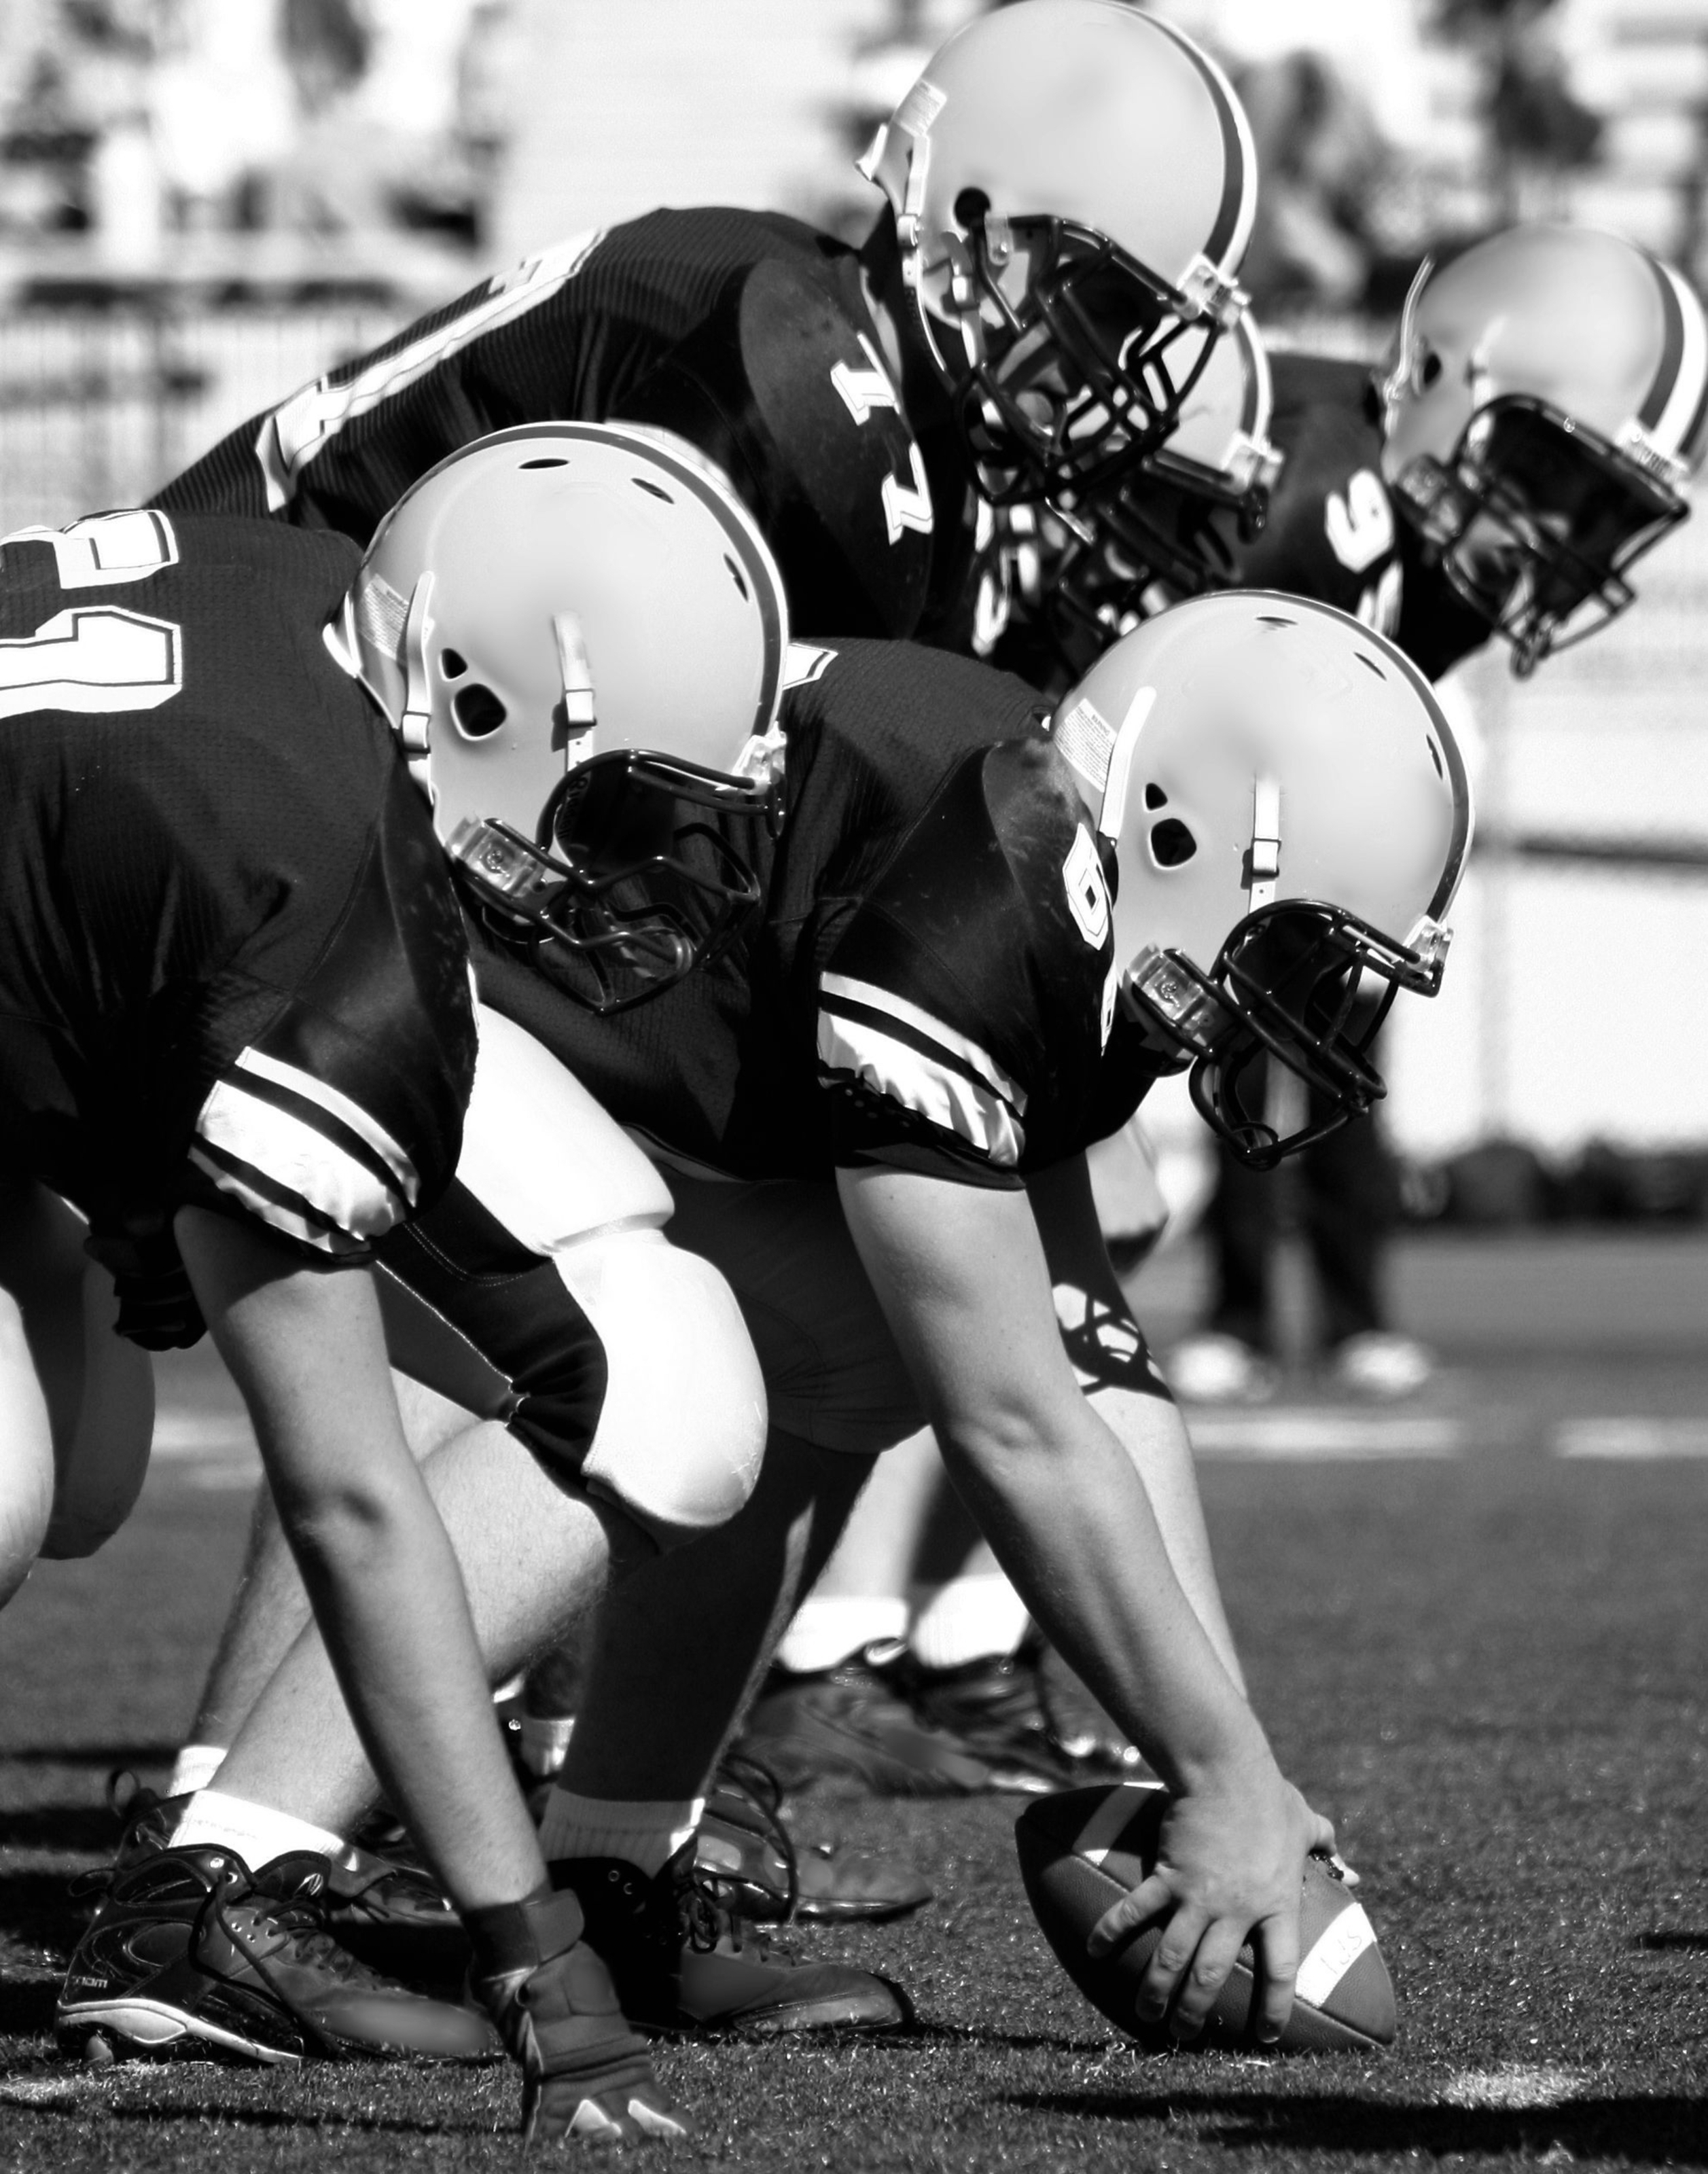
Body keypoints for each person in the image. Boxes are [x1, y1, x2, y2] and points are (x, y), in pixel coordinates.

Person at [86, 427, 1473, 2063]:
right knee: (653, 1381)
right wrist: (1226, 1778)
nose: (1307, 1015)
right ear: (1179, 834)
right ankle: (228, 1870)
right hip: (331, 974)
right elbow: (1017, 1426)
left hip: (430, 985)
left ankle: (613, 1855)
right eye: (1307, 952)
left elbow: (1089, 1364)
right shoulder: (977, 910)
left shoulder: (1036, 848)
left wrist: (1233, 1776)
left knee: (830, 1352)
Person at [149, 0, 1268, 1815]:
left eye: (1130, 329)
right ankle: (268, 1824)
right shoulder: (781, 369)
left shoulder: (901, 435)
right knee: (585, 1270)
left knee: (838, 1274)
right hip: (290, 779)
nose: (1095, 370)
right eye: (1086, 299)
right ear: (960, 216)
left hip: (383, 787)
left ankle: (600, 1797)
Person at [0, 501, 734, 2140]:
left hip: (82, 952)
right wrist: (532, 1948)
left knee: (655, 1375)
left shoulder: (332, 586)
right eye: (624, 802)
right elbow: (349, 1502)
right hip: (164, 926)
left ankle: (227, 1870)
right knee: (11, 1482)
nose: (640, 866)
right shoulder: (314, 895)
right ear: (475, 701)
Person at [1025, 221, 1708, 1404]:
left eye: (1596, 511)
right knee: (1218, 1040)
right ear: (1451, 380)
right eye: (1557, 482)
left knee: (1337, 1037)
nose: (1559, 534)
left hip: (1299, 793)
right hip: (1126, 781)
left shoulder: (1449, 539)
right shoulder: (1299, 483)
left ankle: (1347, 1310)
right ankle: (1238, 1308)